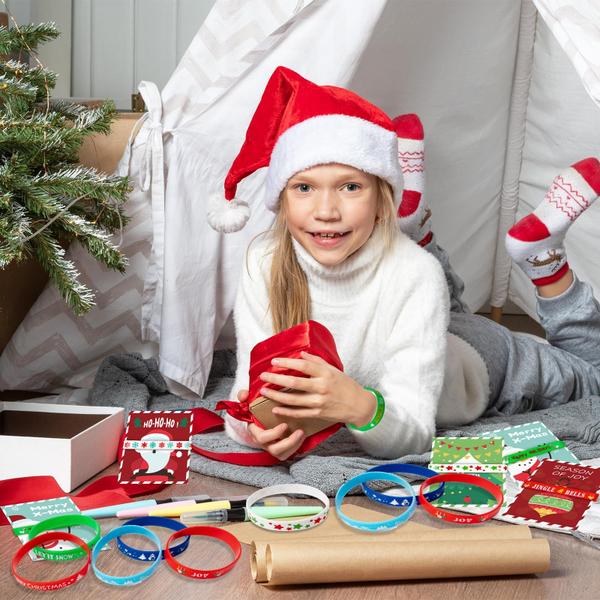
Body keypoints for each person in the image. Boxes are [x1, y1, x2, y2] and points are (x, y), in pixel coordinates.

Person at [208, 66, 600, 461]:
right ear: (281, 198)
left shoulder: (416, 275)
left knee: (594, 375)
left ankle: (545, 262)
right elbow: (248, 394)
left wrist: (358, 406)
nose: (325, 211)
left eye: (350, 187)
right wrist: (255, 429)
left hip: (483, 363)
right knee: (414, 277)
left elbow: (414, 434)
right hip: (423, 326)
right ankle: (412, 226)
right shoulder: (264, 262)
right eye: (304, 187)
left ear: (380, 200)